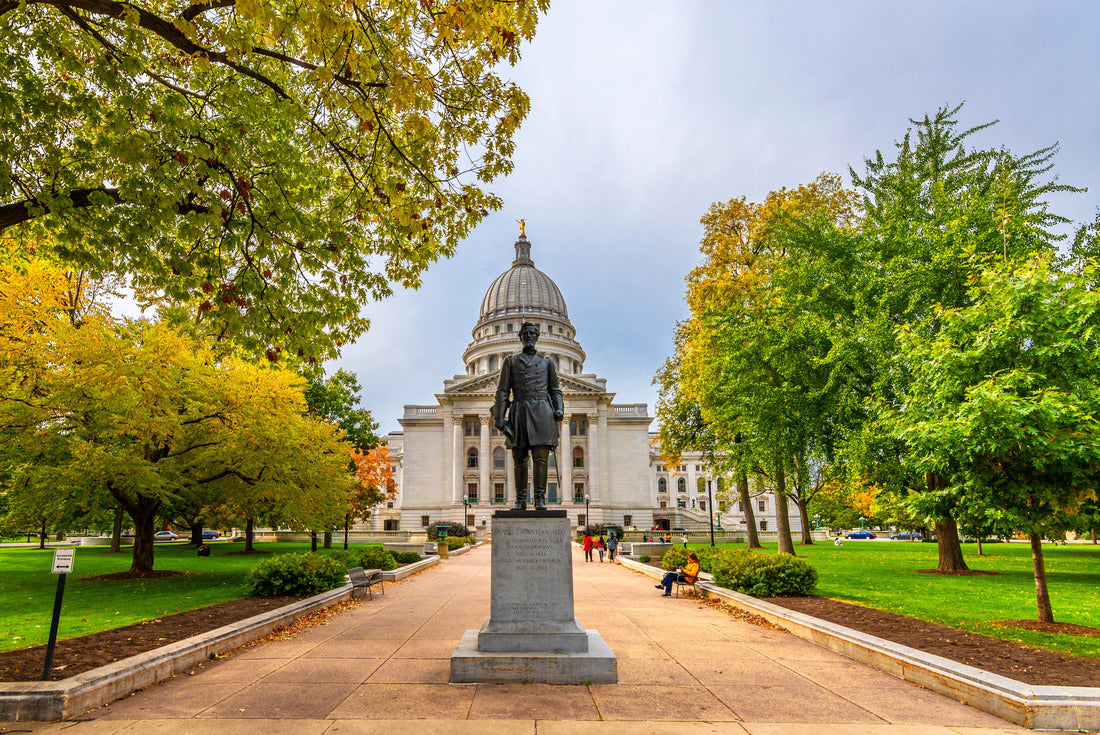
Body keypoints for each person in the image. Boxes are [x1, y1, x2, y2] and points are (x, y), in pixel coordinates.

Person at [494, 321, 564, 511]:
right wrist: (499, 418)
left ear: (537, 337)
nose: (530, 337)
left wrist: (559, 409)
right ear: (521, 337)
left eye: (533, 334)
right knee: (520, 457)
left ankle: (540, 498)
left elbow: (555, 390)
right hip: (520, 411)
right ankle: (520, 500)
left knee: (541, 457)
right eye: (527, 334)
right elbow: (502, 391)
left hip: (542, 411)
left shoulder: (547, 362)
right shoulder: (510, 361)